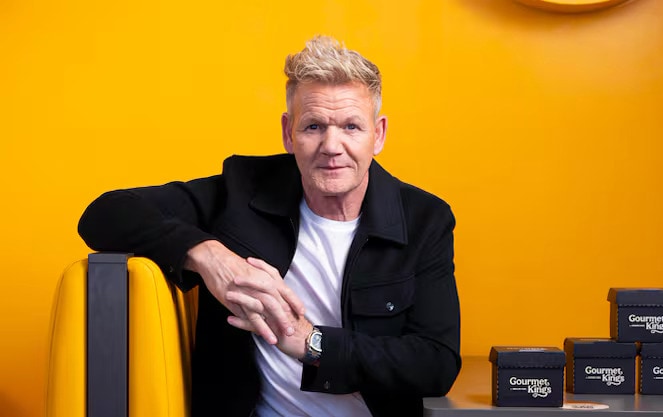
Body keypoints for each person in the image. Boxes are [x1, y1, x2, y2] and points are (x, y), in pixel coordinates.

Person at [78, 35, 461, 417]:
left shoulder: (424, 220)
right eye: (313, 126)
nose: (331, 146)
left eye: (351, 127)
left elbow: (436, 365)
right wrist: (210, 257)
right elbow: (104, 214)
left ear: (378, 134)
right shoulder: (241, 191)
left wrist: (311, 342)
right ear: (287, 132)